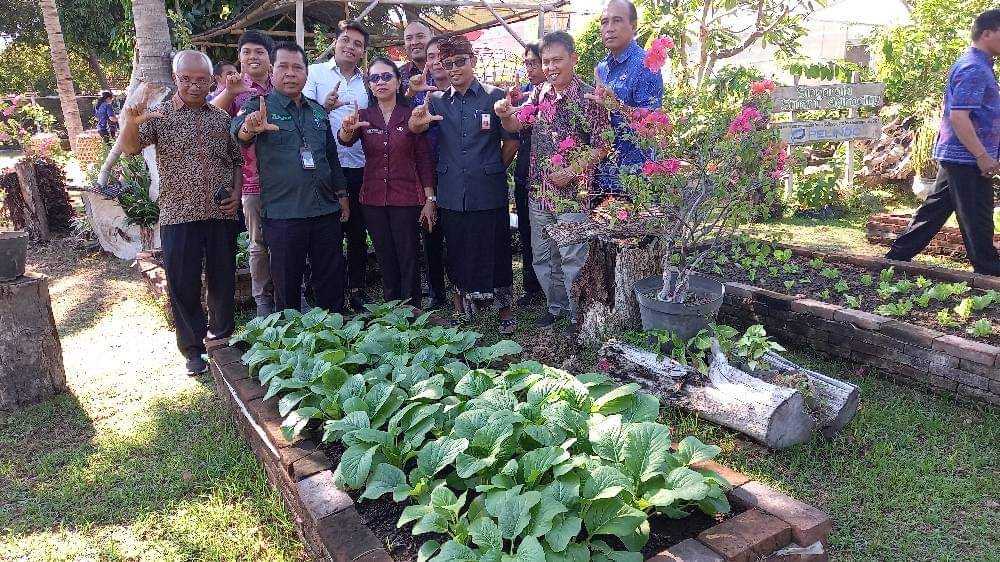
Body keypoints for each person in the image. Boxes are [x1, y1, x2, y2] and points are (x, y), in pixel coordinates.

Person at [120, 51, 243, 375]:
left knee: (223, 279)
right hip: (179, 214)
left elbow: (235, 160)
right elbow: (131, 148)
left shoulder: (220, 118)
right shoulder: (158, 117)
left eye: (201, 79)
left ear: (210, 81)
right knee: (183, 284)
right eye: (186, 79)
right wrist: (130, 124)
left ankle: (222, 336)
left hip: (220, 213)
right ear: (176, 79)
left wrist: (237, 194)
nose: (193, 85)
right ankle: (192, 350)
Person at [496, 31, 611, 328]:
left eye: (557, 60)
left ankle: (578, 313)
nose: (550, 67)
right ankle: (555, 306)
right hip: (539, 192)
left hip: (575, 195)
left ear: (573, 58)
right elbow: (516, 124)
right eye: (546, 61)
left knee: (573, 257)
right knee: (544, 256)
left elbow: (602, 146)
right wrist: (505, 113)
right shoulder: (538, 94)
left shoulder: (589, 98)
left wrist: (571, 172)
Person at [409, 35, 519, 333]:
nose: (454, 69)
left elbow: (512, 136)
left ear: (473, 61)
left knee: (496, 249)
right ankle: (461, 307)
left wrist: (492, 167)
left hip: (488, 189)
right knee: (455, 249)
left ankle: (504, 309)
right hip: (451, 190)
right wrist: (417, 122)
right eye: (448, 64)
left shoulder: (493, 95)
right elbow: (415, 127)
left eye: (460, 62)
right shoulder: (439, 101)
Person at [233, 42, 351, 312]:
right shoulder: (259, 106)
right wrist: (250, 128)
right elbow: (238, 131)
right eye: (283, 67)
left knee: (330, 278)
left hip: (324, 210)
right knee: (287, 283)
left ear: (306, 74)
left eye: (297, 67)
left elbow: (331, 157)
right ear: (272, 70)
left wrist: (342, 195)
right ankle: (293, 340)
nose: (290, 73)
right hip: (284, 213)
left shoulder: (318, 111)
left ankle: (333, 333)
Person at [886, 9, 1000, 276]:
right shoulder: (974, 68)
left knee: (934, 211)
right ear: (987, 34)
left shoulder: (979, 65)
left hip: (959, 154)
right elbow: (960, 117)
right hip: (967, 157)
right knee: (978, 217)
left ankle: (896, 256)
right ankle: (990, 271)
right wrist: (982, 155)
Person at [339, 58, 436, 304]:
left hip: (406, 197)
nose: (380, 82)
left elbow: (423, 159)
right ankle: (392, 306)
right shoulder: (363, 115)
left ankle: (412, 306)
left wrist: (429, 199)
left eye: (386, 77)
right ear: (369, 85)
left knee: (408, 254)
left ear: (397, 80)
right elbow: (345, 140)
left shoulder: (412, 115)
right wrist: (346, 130)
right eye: (374, 78)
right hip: (372, 198)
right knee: (384, 254)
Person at [305, 20, 373, 311]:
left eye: (357, 44)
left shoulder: (368, 82)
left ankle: (357, 289)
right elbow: (302, 115)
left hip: (359, 165)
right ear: (335, 42)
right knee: (325, 234)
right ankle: (325, 293)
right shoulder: (314, 73)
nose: (350, 46)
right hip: (322, 168)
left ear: (363, 52)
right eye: (345, 40)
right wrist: (325, 106)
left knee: (357, 233)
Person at [212, 30, 278, 316]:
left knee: (288, 240)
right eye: (247, 52)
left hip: (286, 180)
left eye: (259, 52)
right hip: (251, 182)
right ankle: (263, 302)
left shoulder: (281, 85)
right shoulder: (234, 88)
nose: (253, 56)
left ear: (269, 58)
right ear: (239, 58)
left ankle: (292, 293)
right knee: (258, 242)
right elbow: (209, 113)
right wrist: (230, 92)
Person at [591, 0, 664, 196]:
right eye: (604, 22)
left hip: (635, 177)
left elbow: (654, 123)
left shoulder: (646, 65)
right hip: (604, 174)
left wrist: (618, 106)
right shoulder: (603, 67)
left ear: (633, 26)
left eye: (617, 21)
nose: (609, 28)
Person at [414, 34, 449, 309]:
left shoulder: (467, 91)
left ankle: (465, 289)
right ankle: (437, 293)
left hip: (458, 176)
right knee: (431, 235)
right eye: (431, 57)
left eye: (441, 55)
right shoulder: (419, 96)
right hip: (427, 175)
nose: (436, 62)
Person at [511, 42, 545, 306]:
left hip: (551, 178)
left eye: (534, 62)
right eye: (527, 63)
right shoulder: (525, 94)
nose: (531, 68)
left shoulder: (554, 96)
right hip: (524, 173)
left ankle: (550, 288)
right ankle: (531, 286)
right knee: (526, 230)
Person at [399, 21, 433, 92]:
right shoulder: (397, 75)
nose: (414, 42)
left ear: (432, 38)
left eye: (420, 36)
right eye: (409, 38)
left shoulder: (449, 69)